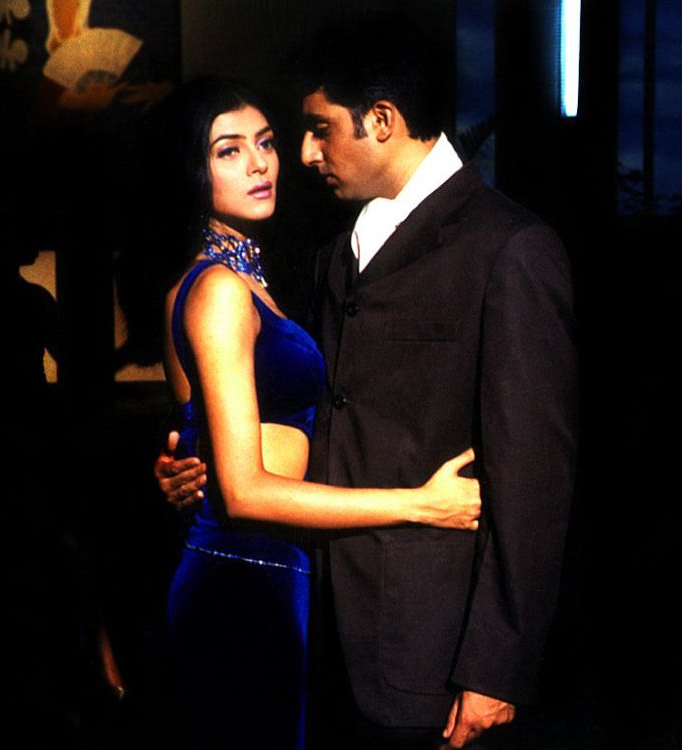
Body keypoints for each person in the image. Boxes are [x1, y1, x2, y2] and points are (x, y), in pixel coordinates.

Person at [156, 13, 578, 750]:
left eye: (318, 130)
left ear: (381, 120)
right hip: (311, 620)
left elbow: (536, 478)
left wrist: (498, 667)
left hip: (431, 650)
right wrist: (196, 464)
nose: (302, 154)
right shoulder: (329, 249)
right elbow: (305, 408)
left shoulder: (509, 248)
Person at [149, 76, 482, 750]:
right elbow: (243, 492)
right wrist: (420, 505)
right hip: (242, 580)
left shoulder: (250, 283)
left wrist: (181, 469)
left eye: (265, 143)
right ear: (192, 170)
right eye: (229, 150)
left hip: (270, 574)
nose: (260, 164)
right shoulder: (217, 291)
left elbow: (198, 439)